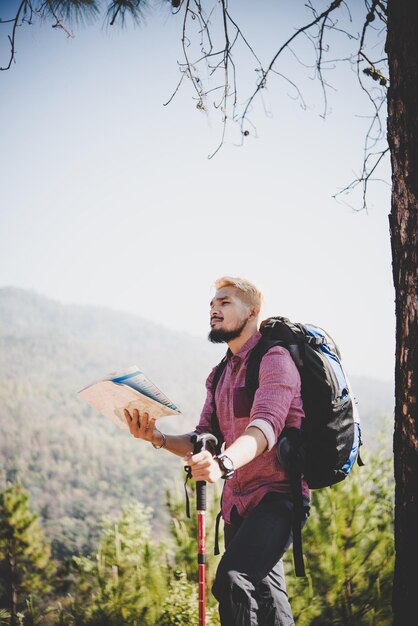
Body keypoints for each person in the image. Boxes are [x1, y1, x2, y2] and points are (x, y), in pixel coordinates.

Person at [124, 276, 309, 626]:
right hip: (238, 507)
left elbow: (265, 428)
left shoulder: (275, 360)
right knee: (270, 604)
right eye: (212, 304)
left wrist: (223, 464)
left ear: (252, 311)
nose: (214, 309)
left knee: (232, 579)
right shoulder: (219, 374)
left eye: (224, 302)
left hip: (278, 498)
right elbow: (203, 438)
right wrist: (158, 437)